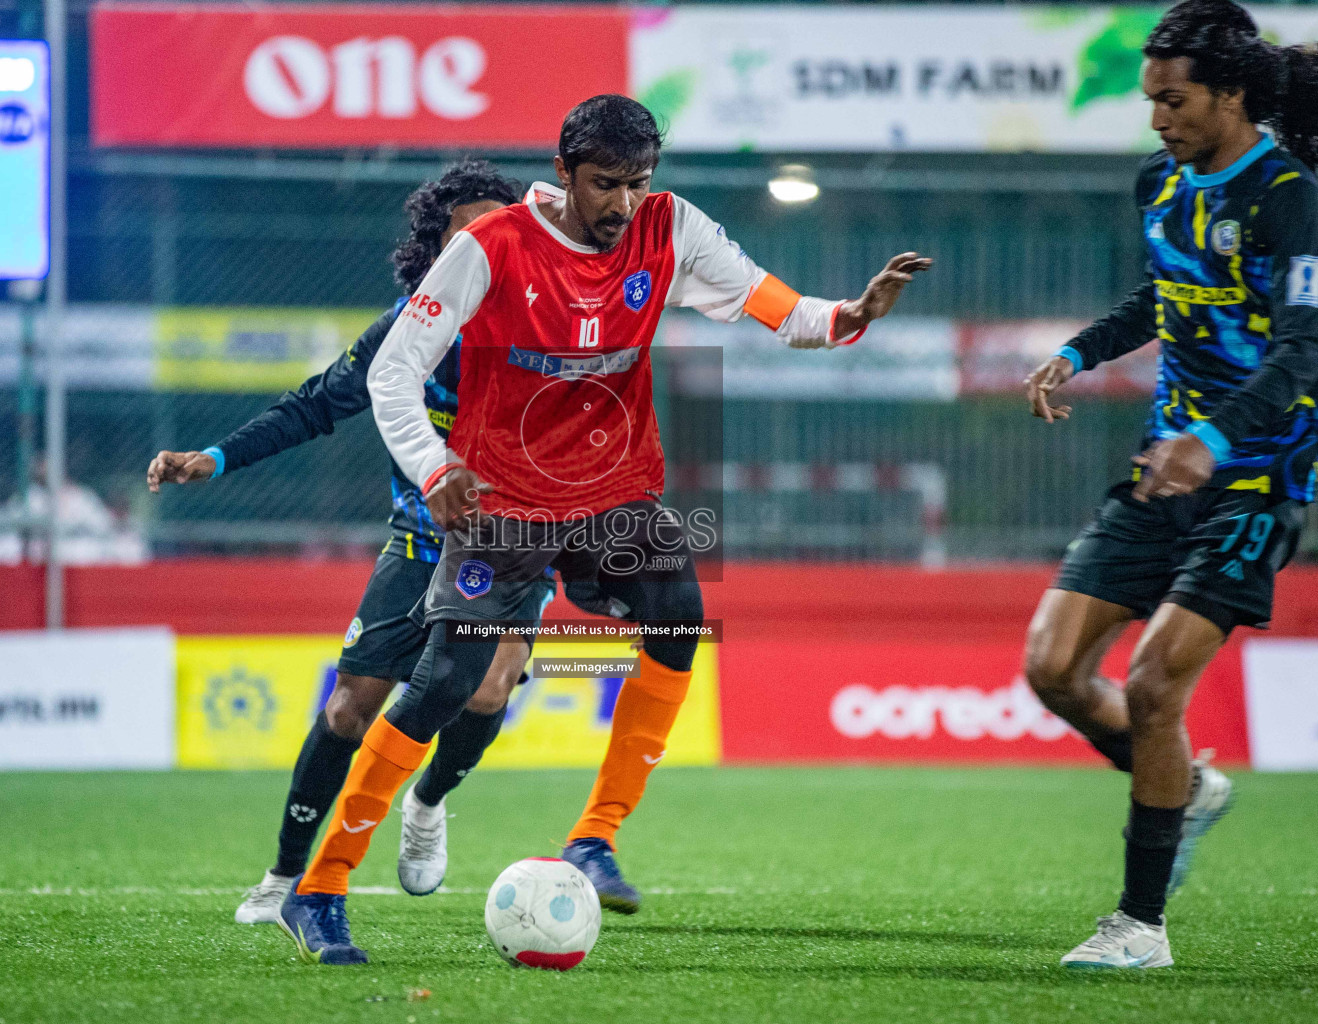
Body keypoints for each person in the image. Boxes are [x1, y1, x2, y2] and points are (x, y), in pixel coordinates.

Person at [277, 93, 931, 965]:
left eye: (637, 182)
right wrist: (436, 472)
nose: (621, 203)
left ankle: (595, 835)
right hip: (503, 505)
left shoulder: (671, 229)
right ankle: (319, 891)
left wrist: (851, 314)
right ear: (563, 174)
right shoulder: (491, 247)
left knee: (679, 609)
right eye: (604, 184)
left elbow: (781, 309)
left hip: (611, 490)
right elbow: (394, 374)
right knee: (444, 685)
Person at [1020, 0, 1318, 969]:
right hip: (1164, 469)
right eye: (1151, 101)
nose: (1158, 119)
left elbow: (1300, 351)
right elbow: (1161, 296)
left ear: (1233, 96)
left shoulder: (1293, 201)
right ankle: (1187, 787)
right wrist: (1078, 351)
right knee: (1051, 669)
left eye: (1175, 101)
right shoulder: (1159, 185)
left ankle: (1139, 925)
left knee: (1156, 680)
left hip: (1257, 476)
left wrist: (1211, 437)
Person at [146, 160, 555, 922]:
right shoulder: (406, 331)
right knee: (348, 710)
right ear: (437, 249)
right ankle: (282, 876)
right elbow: (315, 406)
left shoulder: (549, 336)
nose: (485, 244)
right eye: (466, 230)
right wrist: (216, 457)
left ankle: (427, 804)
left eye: (502, 230)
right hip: (420, 541)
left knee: (493, 683)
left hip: (512, 545)